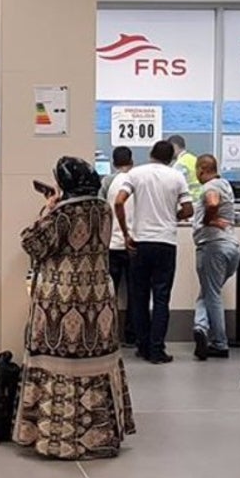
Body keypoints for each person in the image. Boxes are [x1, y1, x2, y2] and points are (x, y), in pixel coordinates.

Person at [15, 157, 136, 459]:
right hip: (97, 300)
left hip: (60, 301)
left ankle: (57, 438)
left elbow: (31, 243)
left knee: (59, 365)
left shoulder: (63, 214)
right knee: (97, 361)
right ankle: (99, 436)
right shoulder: (104, 208)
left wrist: (49, 207)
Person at [114, 140, 194, 364]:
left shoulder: (136, 174)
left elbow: (119, 202)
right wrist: (172, 217)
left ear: (151, 154)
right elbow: (188, 209)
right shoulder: (177, 177)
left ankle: (142, 346)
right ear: (171, 159)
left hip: (140, 243)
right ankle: (157, 350)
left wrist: (126, 232)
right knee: (161, 298)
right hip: (166, 243)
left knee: (139, 298)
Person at [191, 154, 240, 360]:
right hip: (232, 247)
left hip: (213, 247)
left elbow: (212, 203)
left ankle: (220, 343)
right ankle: (201, 327)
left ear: (202, 169)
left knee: (212, 295)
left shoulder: (209, 186)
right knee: (209, 292)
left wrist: (208, 220)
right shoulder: (225, 184)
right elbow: (233, 214)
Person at [101, 146, 137, 347]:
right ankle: (131, 335)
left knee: (109, 292)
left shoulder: (107, 181)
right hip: (133, 243)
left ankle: (109, 334)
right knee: (134, 292)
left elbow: (100, 207)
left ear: (113, 163)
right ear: (131, 161)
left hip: (111, 244)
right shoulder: (137, 180)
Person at [168, 134, 203, 201]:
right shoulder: (194, 158)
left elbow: (175, 184)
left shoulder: (180, 164)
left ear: (174, 146)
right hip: (199, 198)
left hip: (189, 200)